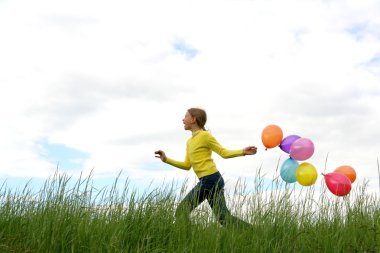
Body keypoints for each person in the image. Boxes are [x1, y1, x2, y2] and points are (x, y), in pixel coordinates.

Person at [155, 108, 257, 229]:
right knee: (223, 218)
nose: (183, 119)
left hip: (211, 179)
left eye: (186, 116)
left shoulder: (205, 136)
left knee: (181, 211)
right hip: (210, 180)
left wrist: (242, 152)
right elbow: (187, 165)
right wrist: (166, 159)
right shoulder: (189, 142)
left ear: (193, 119)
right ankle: (256, 232)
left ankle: (187, 240)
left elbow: (223, 153)